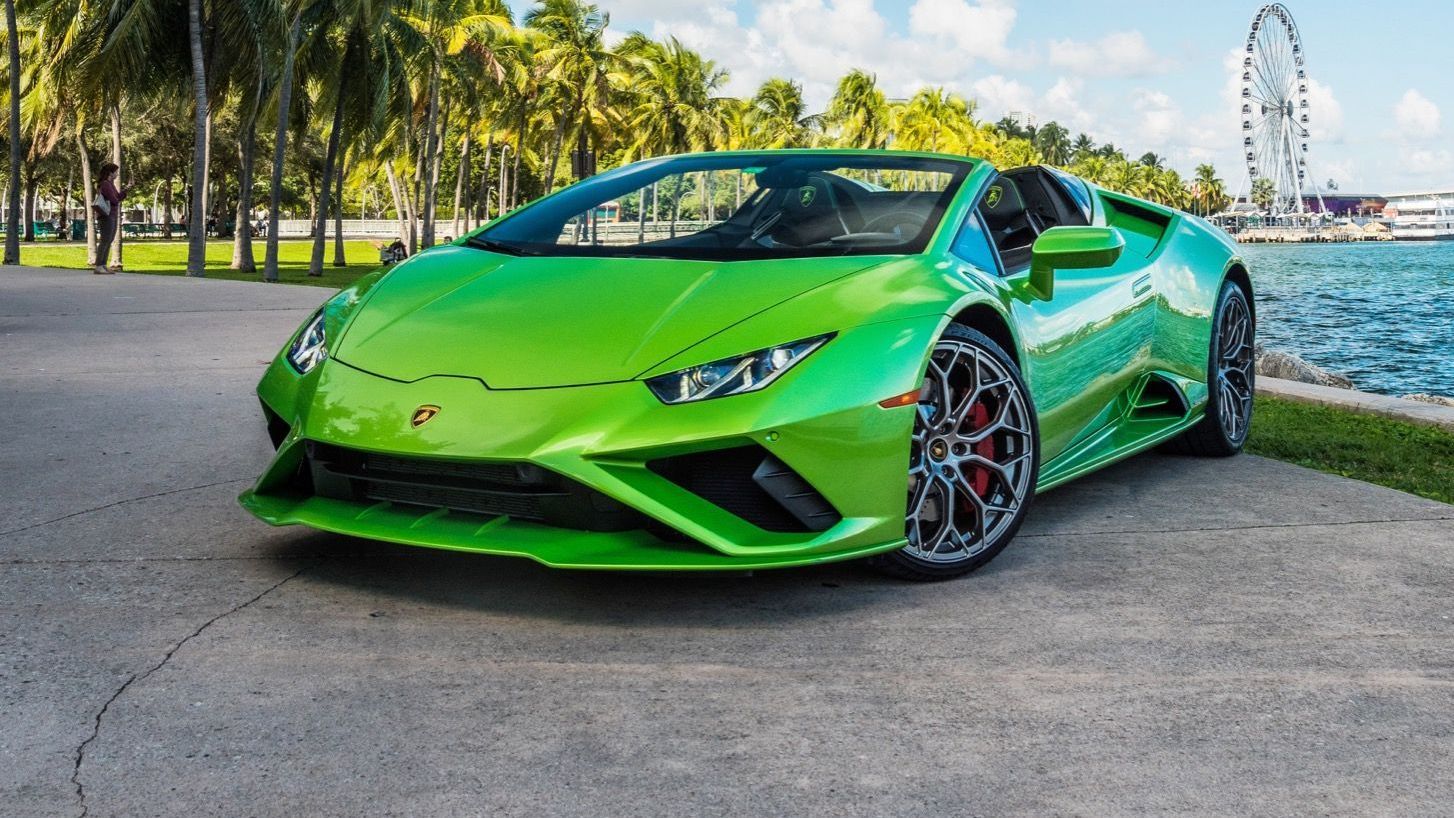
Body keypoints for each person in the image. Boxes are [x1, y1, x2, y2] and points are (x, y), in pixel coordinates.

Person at [93, 163, 126, 275]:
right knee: (105, 241)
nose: (117, 174)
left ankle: (103, 265)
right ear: (110, 173)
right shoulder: (105, 184)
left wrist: (127, 189)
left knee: (109, 240)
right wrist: (117, 198)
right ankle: (98, 266)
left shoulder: (110, 184)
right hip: (106, 216)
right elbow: (114, 200)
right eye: (116, 172)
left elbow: (118, 197)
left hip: (112, 215)